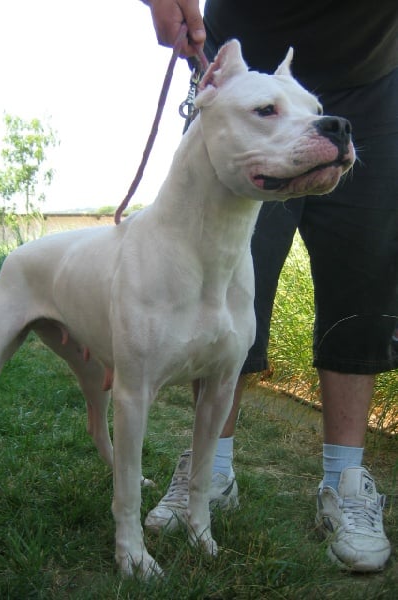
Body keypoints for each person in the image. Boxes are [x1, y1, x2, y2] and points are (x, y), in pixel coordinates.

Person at [141, 0, 398, 572]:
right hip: (243, 73)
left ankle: (346, 481)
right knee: (219, 283)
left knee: (363, 281)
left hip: (372, 76)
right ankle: (210, 471)